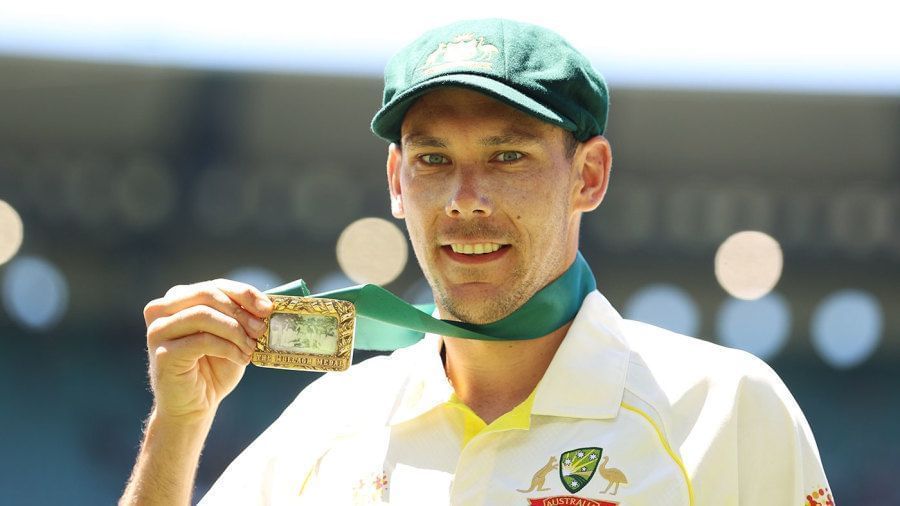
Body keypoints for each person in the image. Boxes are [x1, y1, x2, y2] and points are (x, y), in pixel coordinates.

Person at [120, 18, 834, 506]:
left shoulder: (725, 404)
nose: (466, 199)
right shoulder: (328, 424)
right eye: (434, 160)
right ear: (398, 182)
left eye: (508, 156)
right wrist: (180, 424)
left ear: (589, 176)